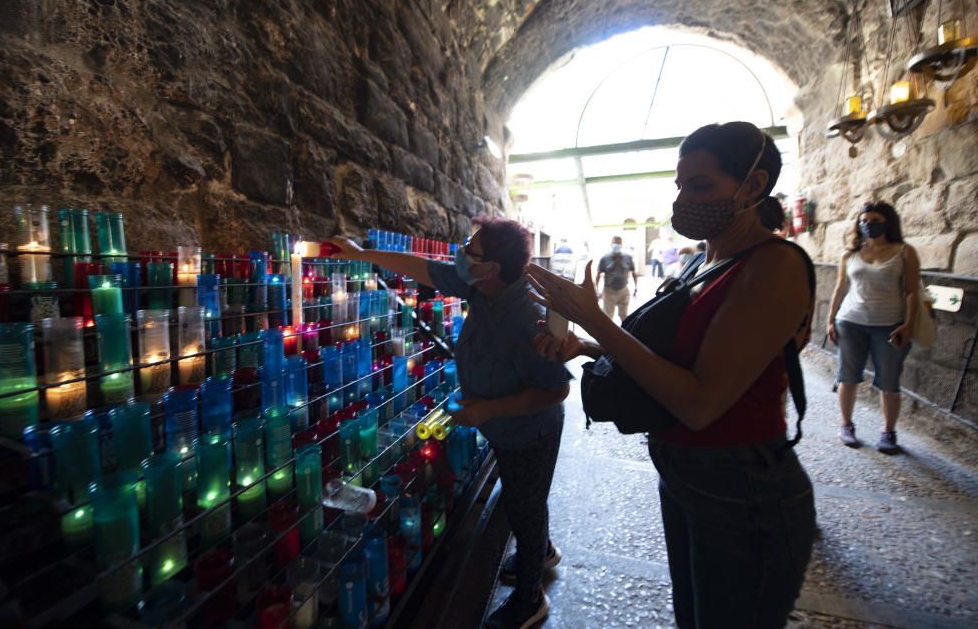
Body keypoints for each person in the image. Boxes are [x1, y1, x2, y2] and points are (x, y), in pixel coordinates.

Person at [526, 122, 816, 629]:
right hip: (685, 474)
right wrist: (584, 345)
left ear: (753, 185)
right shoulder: (707, 260)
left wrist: (595, 317)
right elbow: (672, 365)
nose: (684, 199)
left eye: (700, 186)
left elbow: (700, 403)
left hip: (741, 487)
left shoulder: (774, 265)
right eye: (680, 185)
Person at [330, 217, 571, 629]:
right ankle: (541, 549)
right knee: (525, 494)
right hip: (501, 428)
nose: (460, 254)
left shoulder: (526, 316)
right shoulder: (481, 285)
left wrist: (486, 411)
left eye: (469, 250)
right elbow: (421, 267)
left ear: (491, 267)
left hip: (529, 432)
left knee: (523, 503)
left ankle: (530, 599)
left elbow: (555, 391)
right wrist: (360, 254)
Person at [826, 201, 919, 453]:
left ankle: (888, 432)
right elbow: (840, 288)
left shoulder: (905, 251)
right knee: (848, 376)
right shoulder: (850, 254)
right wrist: (830, 319)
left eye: (875, 221)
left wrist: (909, 324)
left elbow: (912, 291)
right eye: (864, 221)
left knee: (889, 380)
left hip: (889, 325)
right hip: (850, 321)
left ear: (888, 223)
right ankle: (846, 425)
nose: (868, 225)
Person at [595, 236, 638, 321]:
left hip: (623, 290)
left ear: (621, 244)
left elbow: (633, 273)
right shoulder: (605, 258)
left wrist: (636, 288)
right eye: (615, 242)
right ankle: (608, 333)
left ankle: (624, 333)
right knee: (608, 317)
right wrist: (597, 290)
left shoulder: (628, 258)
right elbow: (598, 274)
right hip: (609, 291)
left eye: (619, 243)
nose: (616, 245)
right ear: (611, 244)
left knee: (624, 316)